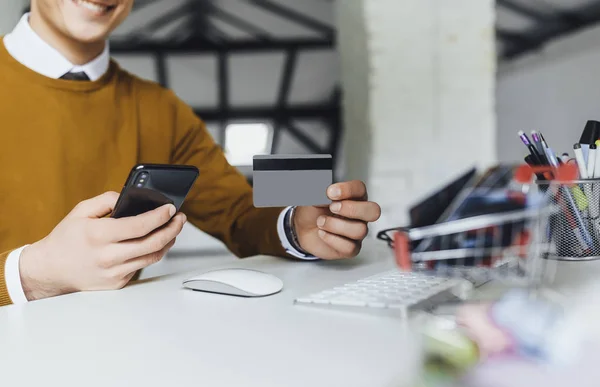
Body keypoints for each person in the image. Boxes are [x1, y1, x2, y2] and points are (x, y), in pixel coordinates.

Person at [0, 0, 381, 307]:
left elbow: (237, 210)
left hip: (120, 355)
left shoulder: (159, 107)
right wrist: (33, 274)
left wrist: (296, 227)